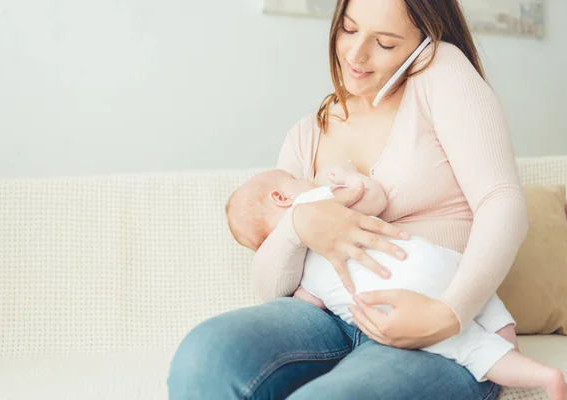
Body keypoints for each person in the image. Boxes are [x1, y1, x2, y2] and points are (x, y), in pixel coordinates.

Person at [168, 0, 539, 398]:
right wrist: (299, 224)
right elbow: (270, 285)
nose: (356, 54)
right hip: (329, 315)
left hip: (432, 316)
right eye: (348, 29)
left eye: (384, 42)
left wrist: (450, 313)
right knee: (204, 356)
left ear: (422, 43)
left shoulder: (439, 73)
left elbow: (502, 201)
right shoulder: (307, 132)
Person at [222, 166, 566, 398]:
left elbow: (309, 304)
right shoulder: (320, 200)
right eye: (294, 178)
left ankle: (539, 376)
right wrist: (350, 177)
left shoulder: (303, 269)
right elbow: (373, 197)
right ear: (281, 197)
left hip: (400, 298)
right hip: (435, 260)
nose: (304, 180)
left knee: (468, 346)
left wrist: (303, 294)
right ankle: (508, 340)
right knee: (484, 302)